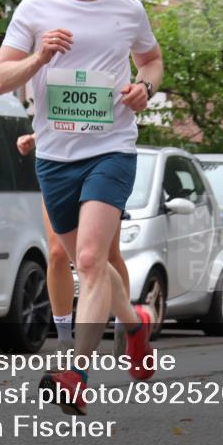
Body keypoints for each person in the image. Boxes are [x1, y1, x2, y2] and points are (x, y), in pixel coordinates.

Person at [0, 0, 164, 415]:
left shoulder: (128, 10)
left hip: (111, 148)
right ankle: (134, 327)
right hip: (53, 155)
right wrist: (40, 57)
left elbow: (151, 60)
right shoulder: (35, 8)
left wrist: (144, 88)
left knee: (89, 260)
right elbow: (1, 80)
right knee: (82, 261)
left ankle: (74, 373)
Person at [15, 133, 131, 354]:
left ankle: (125, 324)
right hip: (58, 165)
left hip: (101, 162)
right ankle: (65, 339)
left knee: (107, 254)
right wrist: (35, 136)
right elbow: (61, 113)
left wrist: (143, 95)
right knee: (57, 253)